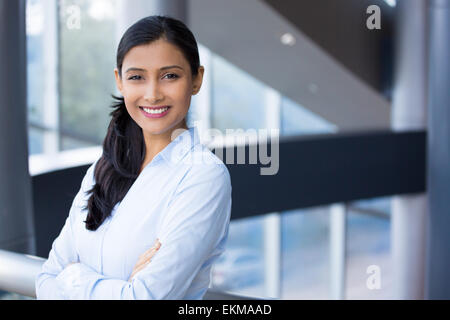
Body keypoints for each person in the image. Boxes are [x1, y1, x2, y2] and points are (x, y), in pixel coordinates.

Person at [35, 15, 232, 300]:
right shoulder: (101, 168)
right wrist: (121, 287)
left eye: (170, 76)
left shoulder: (204, 177)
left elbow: (144, 298)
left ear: (196, 79)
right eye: (137, 77)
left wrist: (74, 277)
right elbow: (46, 280)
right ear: (120, 81)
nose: (152, 94)